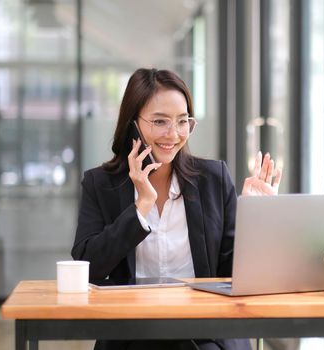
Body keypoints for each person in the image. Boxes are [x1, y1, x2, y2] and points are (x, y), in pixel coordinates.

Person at [71, 68, 282, 350]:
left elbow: (234, 275)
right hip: (133, 334)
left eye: (183, 121)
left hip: (204, 332)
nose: (173, 134)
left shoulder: (213, 179)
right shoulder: (100, 184)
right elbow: (89, 267)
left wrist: (255, 220)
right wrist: (141, 206)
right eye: (160, 121)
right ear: (133, 124)